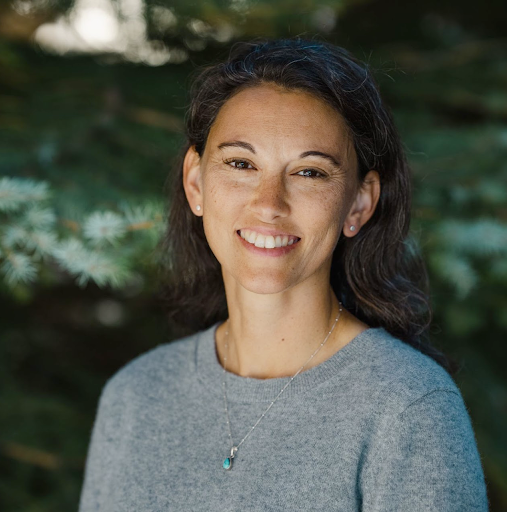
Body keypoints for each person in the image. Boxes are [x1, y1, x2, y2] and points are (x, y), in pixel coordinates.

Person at [79, 38, 489, 511]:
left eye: (310, 172)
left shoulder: (409, 407)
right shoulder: (134, 397)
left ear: (359, 202)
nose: (269, 204)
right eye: (241, 164)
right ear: (196, 184)